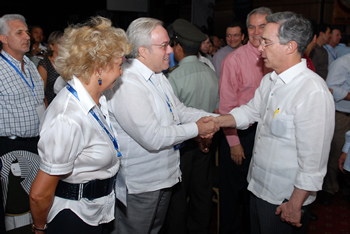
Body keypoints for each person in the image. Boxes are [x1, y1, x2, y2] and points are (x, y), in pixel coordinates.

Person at [216, 12, 335, 233]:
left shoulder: (311, 91)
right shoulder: (270, 80)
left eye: (266, 43)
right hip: (259, 188)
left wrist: (295, 203)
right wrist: (216, 122)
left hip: (285, 198)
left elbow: (314, 160)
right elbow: (249, 112)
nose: (260, 48)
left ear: (290, 47)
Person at [106, 17, 219, 234]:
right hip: (141, 184)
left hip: (164, 177)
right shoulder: (128, 82)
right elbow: (153, 136)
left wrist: (220, 119)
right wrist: (198, 129)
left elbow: (180, 111)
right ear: (143, 51)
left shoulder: (158, 75)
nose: (170, 50)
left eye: (169, 43)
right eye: (164, 45)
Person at [29, 16, 132, 234]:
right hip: (74, 218)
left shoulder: (97, 99)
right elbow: (39, 194)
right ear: (99, 67)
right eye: (118, 65)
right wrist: (39, 229)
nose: (121, 72)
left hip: (98, 211)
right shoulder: (68, 116)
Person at [162, 18, 219, 234]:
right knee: (201, 192)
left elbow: (170, 118)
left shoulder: (173, 77)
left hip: (182, 146)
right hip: (206, 142)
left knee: (178, 196)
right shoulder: (211, 73)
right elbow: (215, 111)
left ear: (178, 47)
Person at [218, 7, 272, 234]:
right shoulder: (234, 60)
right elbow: (227, 106)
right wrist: (234, 142)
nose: (256, 31)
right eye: (252, 26)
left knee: (257, 192)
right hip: (240, 132)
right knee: (232, 195)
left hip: (268, 133)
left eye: (262, 26)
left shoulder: (277, 57)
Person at [0, 14, 45, 233]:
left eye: (27, 32)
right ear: (3, 38)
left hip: (36, 144)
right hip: (11, 149)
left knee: (35, 203)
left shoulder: (30, 64)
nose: (27, 36)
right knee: (17, 211)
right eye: (19, 33)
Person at [322, 53, 350, 205]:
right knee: (337, 153)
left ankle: (345, 189)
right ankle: (329, 189)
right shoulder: (342, 63)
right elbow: (330, 87)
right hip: (341, 115)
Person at [37, 31, 63, 106]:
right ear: (51, 46)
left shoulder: (68, 63)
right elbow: (41, 91)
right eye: (60, 43)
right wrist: (47, 109)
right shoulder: (45, 64)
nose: (64, 46)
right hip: (50, 105)